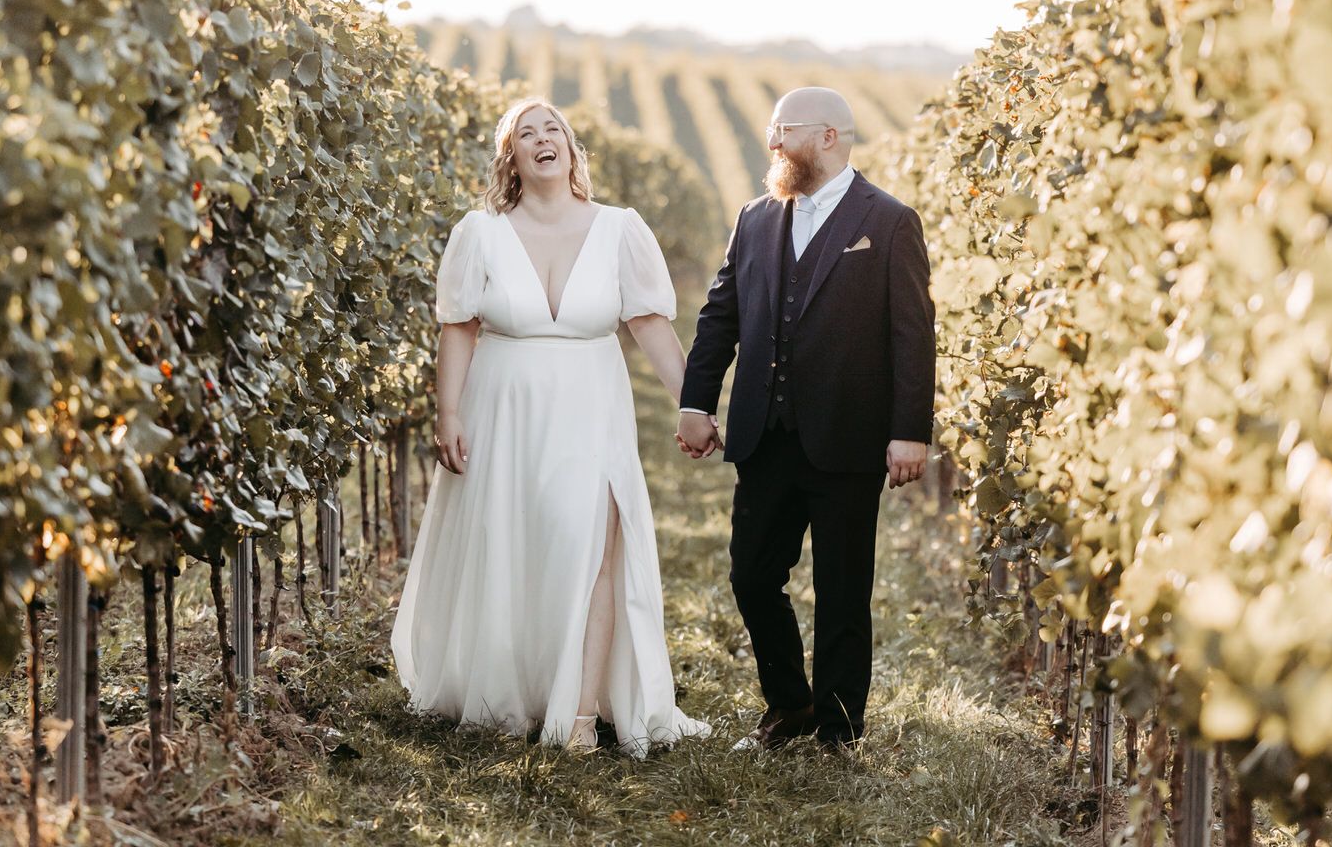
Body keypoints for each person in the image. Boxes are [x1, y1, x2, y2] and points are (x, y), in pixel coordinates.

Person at [391, 97, 711, 757]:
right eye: (526, 133)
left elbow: (649, 323)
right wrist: (448, 413)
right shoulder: (479, 233)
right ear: (512, 158)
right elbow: (458, 328)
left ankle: (582, 715)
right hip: (501, 404)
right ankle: (517, 689)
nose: (543, 138)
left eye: (553, 129)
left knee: (590, 544)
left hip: (592, 402)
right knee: (515, 541)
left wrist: (693, 404)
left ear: (570, 149)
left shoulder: (619, 228)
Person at [677, 86, 936, 753]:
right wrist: (696, 402)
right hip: (766, 433)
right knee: (752, 576)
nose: (771, 142)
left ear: (829, 136)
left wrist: (910, 429)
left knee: (844, 590)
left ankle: (838, 727)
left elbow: (913, 335)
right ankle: (790, 705)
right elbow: (720, 318)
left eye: (782, 129)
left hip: (847, 438)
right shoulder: (755, 219)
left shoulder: (890, 220)